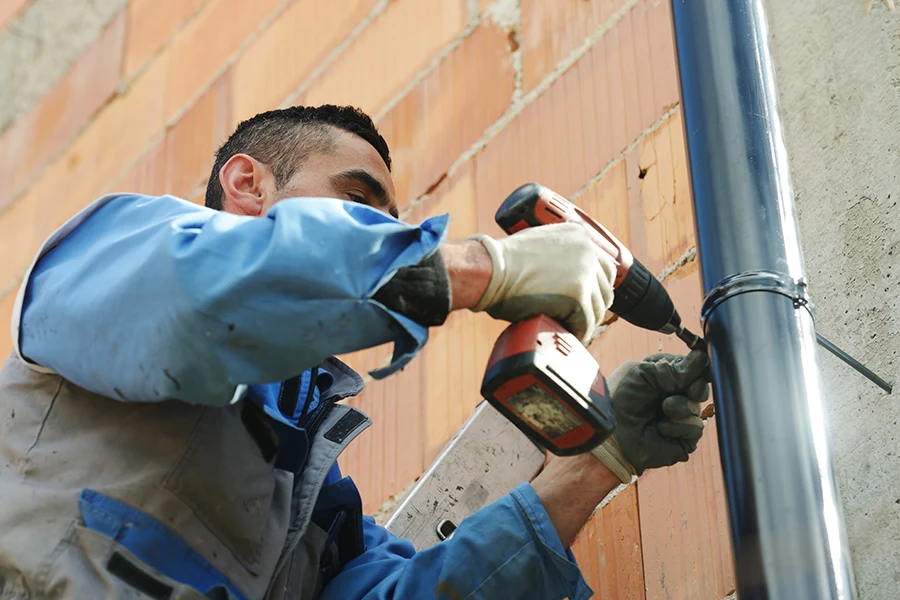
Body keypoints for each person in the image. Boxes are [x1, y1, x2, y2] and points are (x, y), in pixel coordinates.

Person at [0, 105, 710, 600]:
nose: (381, 235)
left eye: (391, 225)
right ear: (248, 185)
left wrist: (597, 467)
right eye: (358, 202)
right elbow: (203, 299)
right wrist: (479, 269)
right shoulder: (112, 255)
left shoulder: (319, 518)